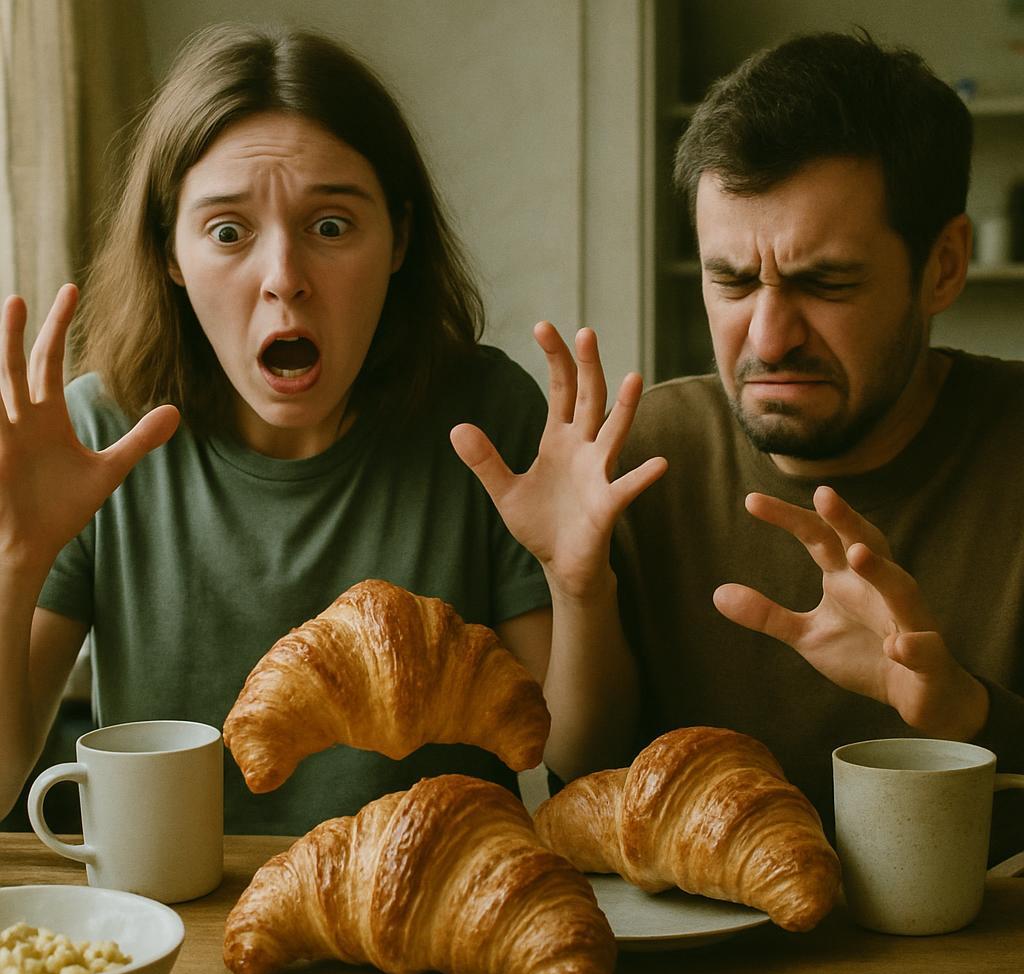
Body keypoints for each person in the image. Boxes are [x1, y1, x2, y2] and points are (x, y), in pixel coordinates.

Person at [0, 23, 656, 835]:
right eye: (228, 232)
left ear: (399, 240)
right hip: (181, 935)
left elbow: (585, 763)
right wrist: (16, 559)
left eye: (332, 226)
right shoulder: (98, 436)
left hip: (433, 915)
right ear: (170, 251)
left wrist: (580, 584)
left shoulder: (485, 421)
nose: (284, 280)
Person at [460, 30, 1024, 863]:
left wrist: (966, 714)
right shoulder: (645, 452)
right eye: (729, 280)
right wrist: (578, 588)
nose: (769, 336)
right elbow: (587, 776)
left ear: (942, 268)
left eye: (826, 283)